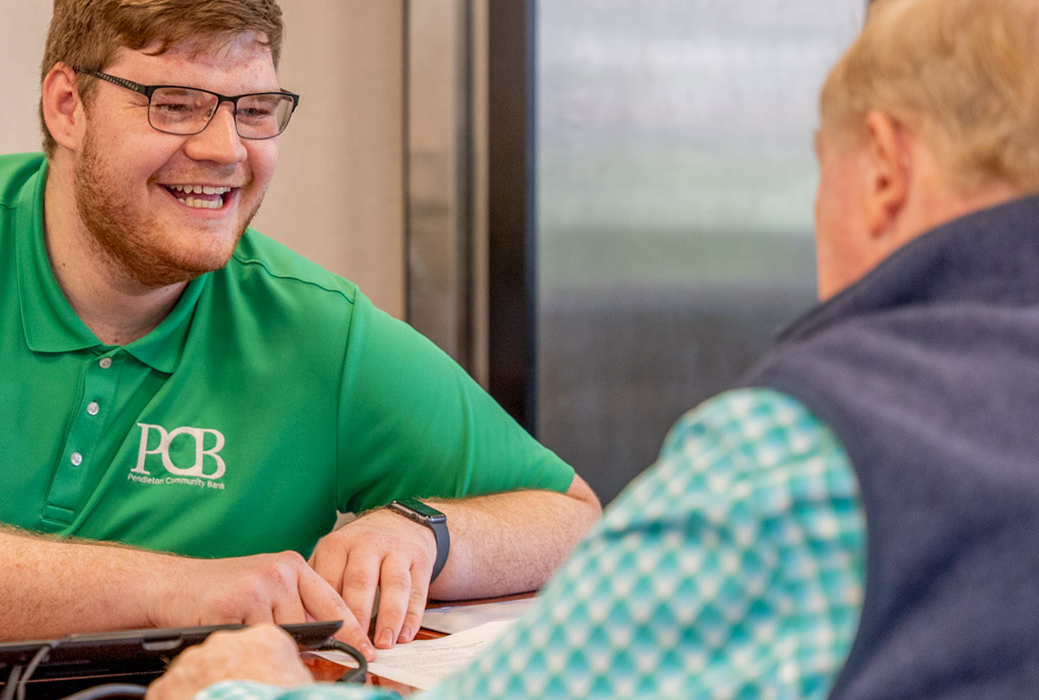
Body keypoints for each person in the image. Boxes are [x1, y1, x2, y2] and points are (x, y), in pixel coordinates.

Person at [146, 0, 1039, 697]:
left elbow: (570, 525)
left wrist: (236, 689)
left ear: (883, 170)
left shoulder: (806, 462)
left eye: (820, 167)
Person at [0, 0, 601, 656]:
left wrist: (424, 531)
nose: (225, 151)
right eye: (174, 103)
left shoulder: (315, 329)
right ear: (67, 107)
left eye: (254, 111)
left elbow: (573, 520)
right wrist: (190, 590)